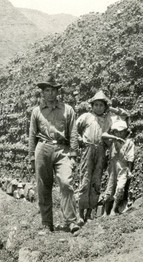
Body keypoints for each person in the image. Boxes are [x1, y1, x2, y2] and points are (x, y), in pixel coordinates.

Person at [29, 75, 80, 234]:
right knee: (43, 187)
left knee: (66, 183)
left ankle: (71, 221)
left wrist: (73, 154)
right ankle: (46, 224)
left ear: (58, 92)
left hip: (62, 150)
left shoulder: (68, 109)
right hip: (42, 149)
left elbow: (73, 132)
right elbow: (32, 135)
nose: (50, 93)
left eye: (53, 90)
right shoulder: (37, 112)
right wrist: (31, 157)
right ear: (42, 93)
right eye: (47, 90)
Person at [74, 90, 114, 223]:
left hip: (101, 151)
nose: (98, 107)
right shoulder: (86, 117)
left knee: (96, 181)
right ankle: (80, 213)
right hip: (88, 149)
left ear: (105, 107)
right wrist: (80, 140)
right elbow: (74, 129)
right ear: (92, 106)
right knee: (85, 179)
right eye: (96, 105)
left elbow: (111, 134)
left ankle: (89, 213)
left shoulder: (108, 120)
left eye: (101, 105)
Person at [101, 120, 135, 216]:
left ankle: (113, 210)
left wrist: (129, 169)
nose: (119, 134)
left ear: (125, 131)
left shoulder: (129, 143)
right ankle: (104, 212)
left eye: (121, 131)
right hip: (112, 168)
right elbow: (103, 136)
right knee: (109, 189)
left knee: (120, 188)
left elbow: (130, 157)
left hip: (123, 167)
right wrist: (114, 137)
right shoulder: (112, 141)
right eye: (116, 132)